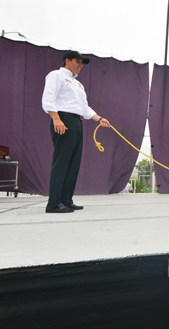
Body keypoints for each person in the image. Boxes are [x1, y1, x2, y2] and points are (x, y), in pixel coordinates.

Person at [41, 50, 111, 213]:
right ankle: (53, 203)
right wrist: (56, 119)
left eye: (82, 63)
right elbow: (48, 98)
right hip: (63, 120)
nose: (80, 65)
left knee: (73, 163)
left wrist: (99, 119)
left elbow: (84, 108)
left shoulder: (78, 85)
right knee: (62, 161)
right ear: (67, 61)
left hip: (77, 122)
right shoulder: (56, 75)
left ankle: (66, 200)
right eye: (78, 62)